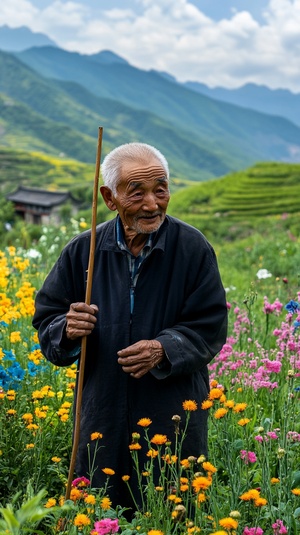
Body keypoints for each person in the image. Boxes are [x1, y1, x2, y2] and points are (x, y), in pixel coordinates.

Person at [32, 142, 227, 509]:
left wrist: (163, 348)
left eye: (161, 189)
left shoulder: (192, 248)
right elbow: (48, 318)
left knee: (170, 506)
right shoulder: (83, 250)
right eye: (137, 192)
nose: (153, 204)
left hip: (172, 406)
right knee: (99, 507)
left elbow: (210, 324)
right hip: (101, 404)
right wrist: (67, 329)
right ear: (110, 197)